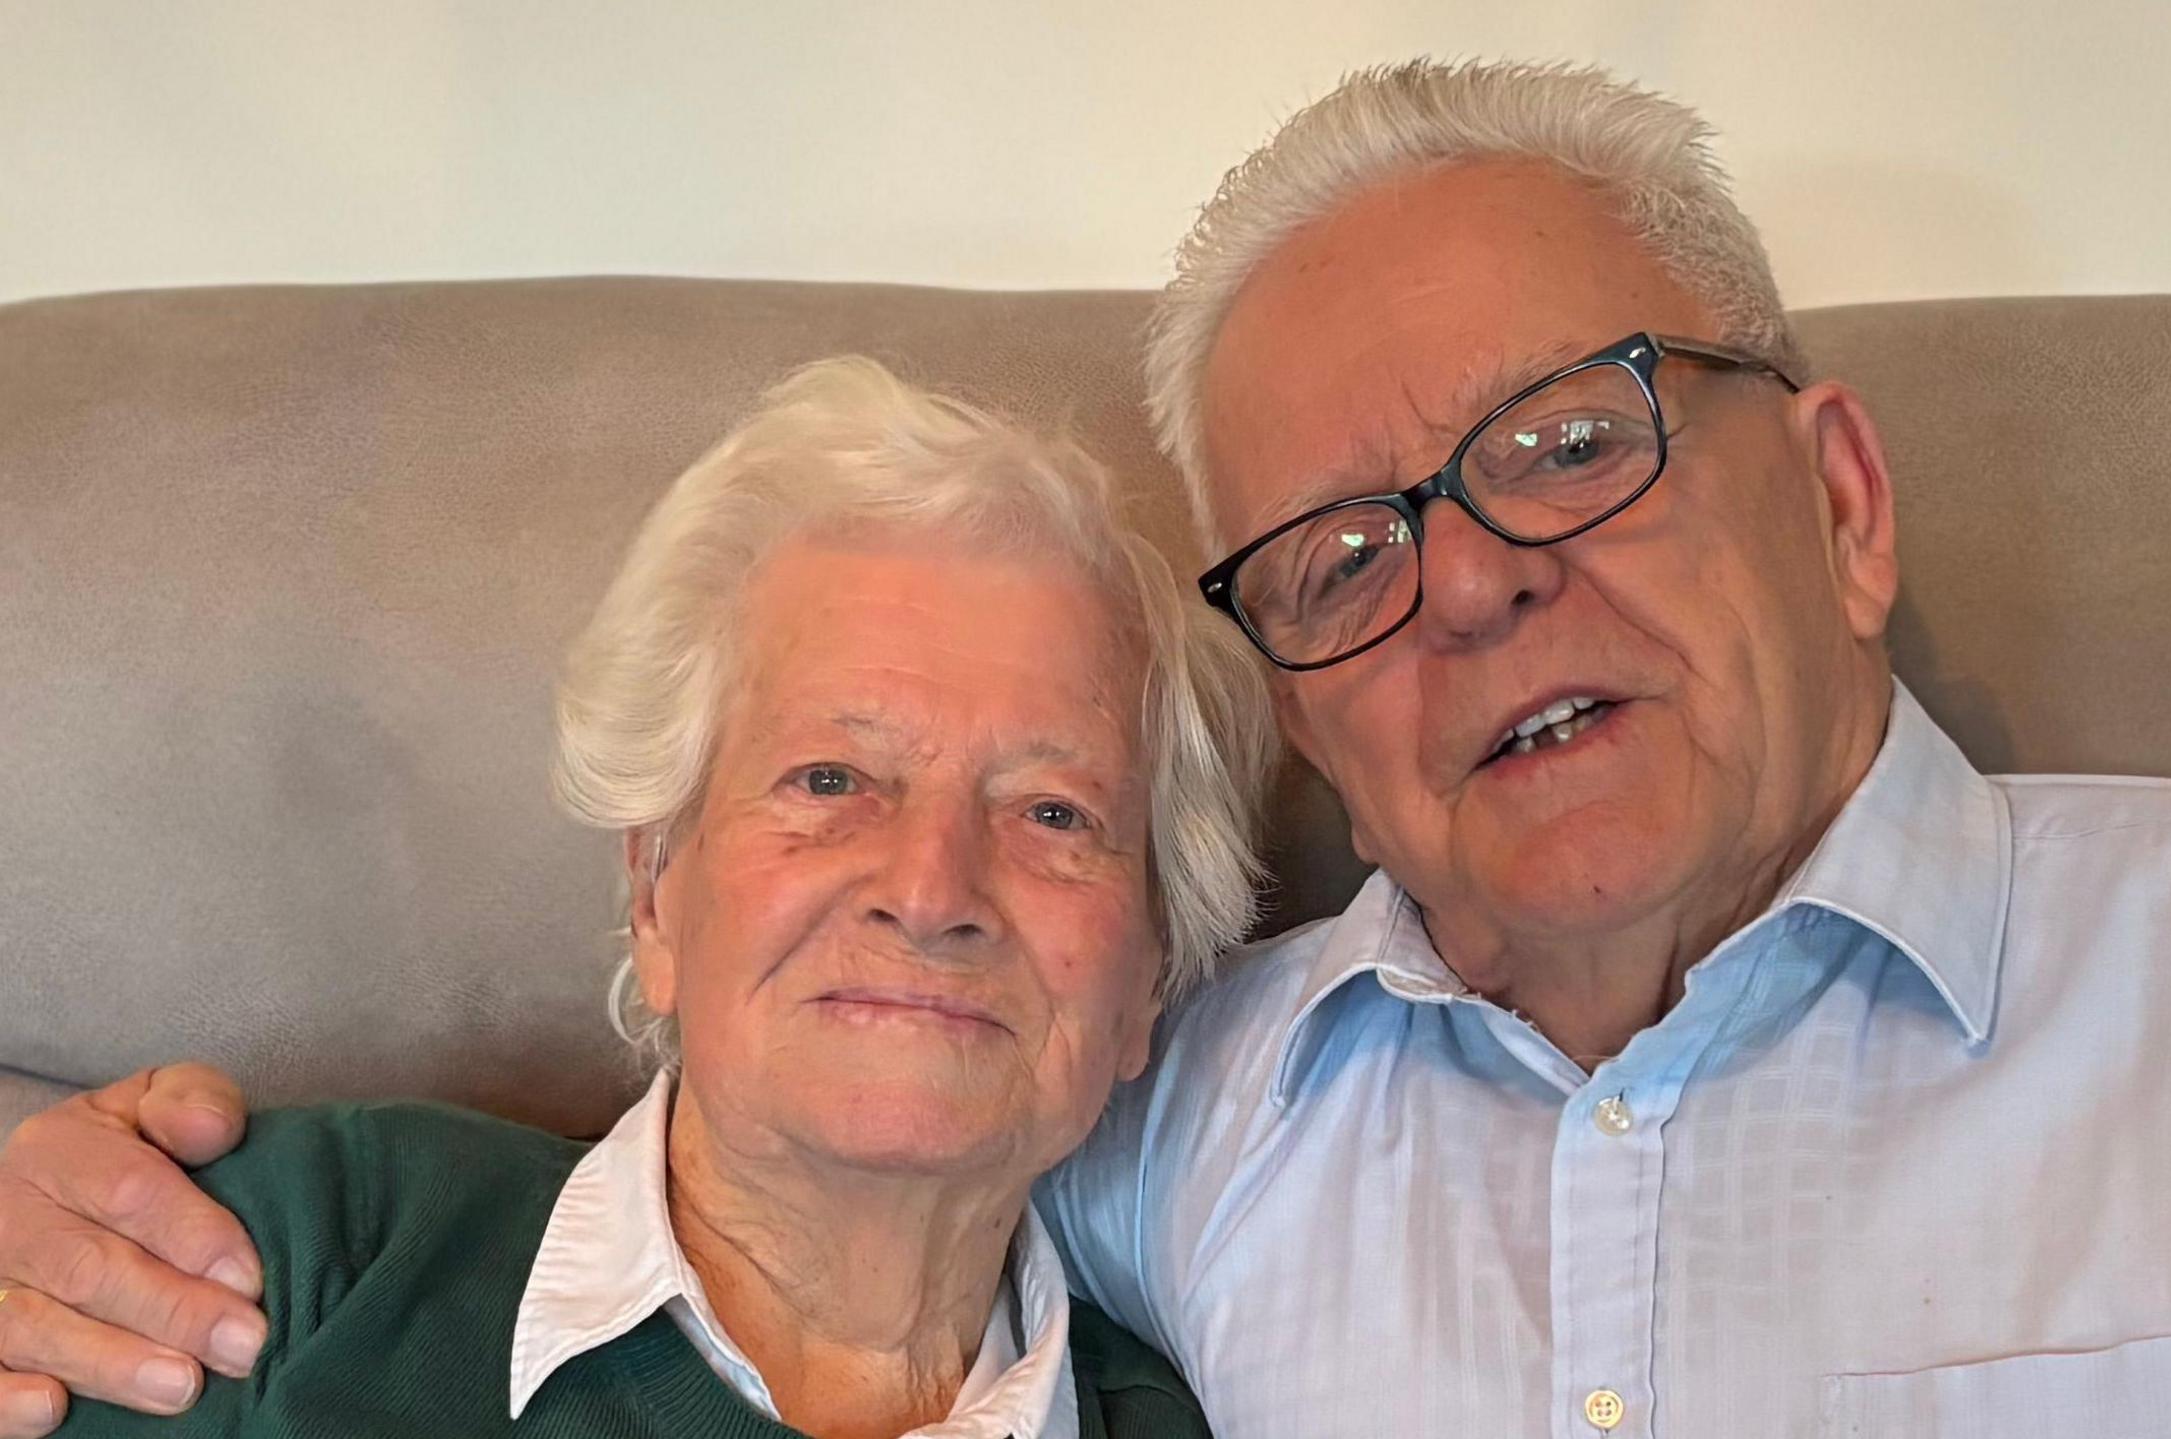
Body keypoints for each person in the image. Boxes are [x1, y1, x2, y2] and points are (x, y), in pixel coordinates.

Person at [7, 58, 2171, 1438]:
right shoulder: (1187, 1118)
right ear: (645, 880)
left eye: (1573, 437)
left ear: (1846, 498)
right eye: (1341, 547)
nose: (1465, 575)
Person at [1, 356, 1265, 1437]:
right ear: (657, 891)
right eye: (830, 778)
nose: (931, 891)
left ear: (1148, 976)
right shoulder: (273, 1251)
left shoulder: (1189, 1414)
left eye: (1053, 812)